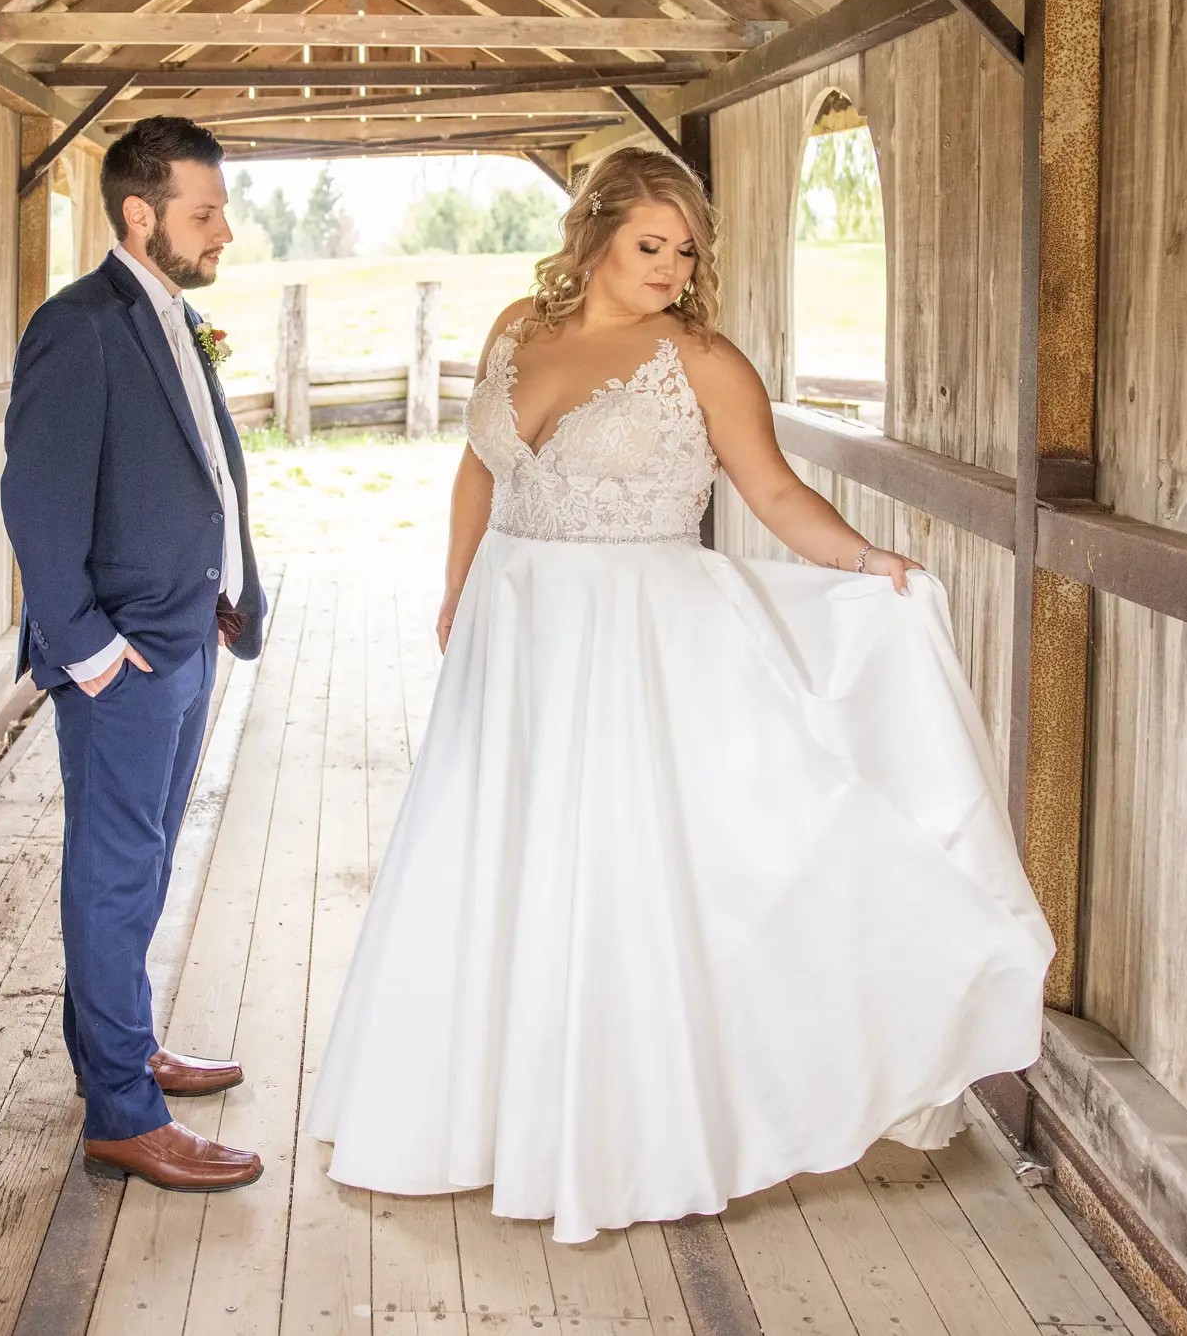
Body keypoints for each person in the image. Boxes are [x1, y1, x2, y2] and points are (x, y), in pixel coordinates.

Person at [305, 147, 1053, 1243]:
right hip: (513, 624)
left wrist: (864, 563)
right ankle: (470, 1114)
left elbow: (771, 490)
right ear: (595, 231)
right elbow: (480, 467)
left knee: (623, 863)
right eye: (649, 244)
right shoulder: (516, 324)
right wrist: (457, 585)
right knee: (493, 850)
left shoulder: (699, 359)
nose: (669, 265)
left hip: (633, 634)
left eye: (685, 249)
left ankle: (628, 1130)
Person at [1, 116, 268, 1193]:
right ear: (140, 215)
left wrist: (225, 597)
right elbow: (35, 499)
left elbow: (201, 469)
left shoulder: (172, 317)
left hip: (188, 635)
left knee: (145, 864)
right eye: (205, 213)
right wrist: (93, 652)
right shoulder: (78, 326)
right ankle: (121, 1110)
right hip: (126, 662)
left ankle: (122, 1046)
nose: (225, 233)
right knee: (112, 877)